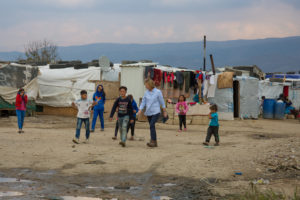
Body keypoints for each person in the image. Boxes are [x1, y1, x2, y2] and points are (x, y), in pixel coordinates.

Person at [138, 79, 167, 148]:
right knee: (152, 127)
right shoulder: (146, 93)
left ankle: (153, 141)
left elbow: (162, 102)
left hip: (156, 111)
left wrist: (164, 111)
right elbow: (143, 102)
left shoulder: (158, 92)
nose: (145, 86)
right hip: (149, 112)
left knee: (151, 124)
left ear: (150, 85)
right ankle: (154, 142)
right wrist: (140, 109)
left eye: (146, 85)